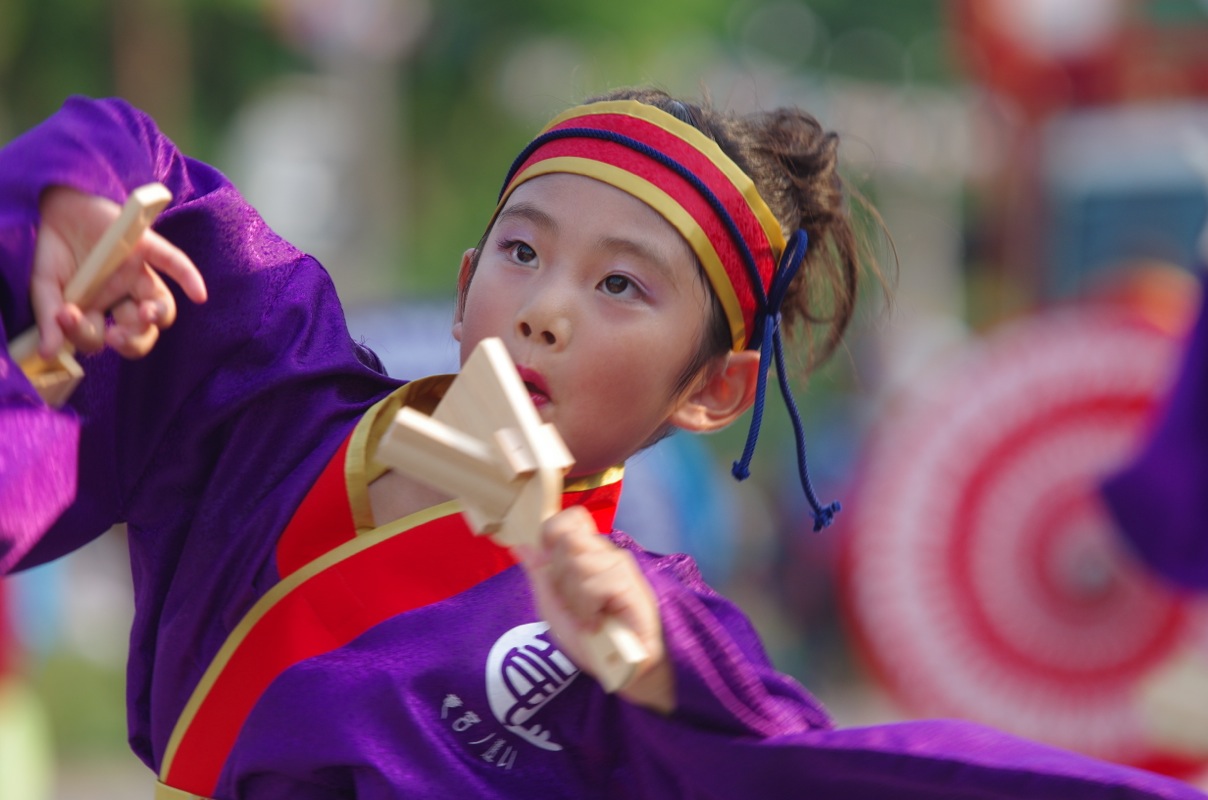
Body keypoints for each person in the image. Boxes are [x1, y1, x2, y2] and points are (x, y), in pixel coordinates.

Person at [0, 89, 1203, 800]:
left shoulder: (638, 628)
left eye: (622, 283)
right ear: (467, 283)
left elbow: (826, 765)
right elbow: (132, 153)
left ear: (714, 391)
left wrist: (658, 674)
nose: (546, 305)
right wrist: (79, 216)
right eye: (521, 252)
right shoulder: (272, 391)